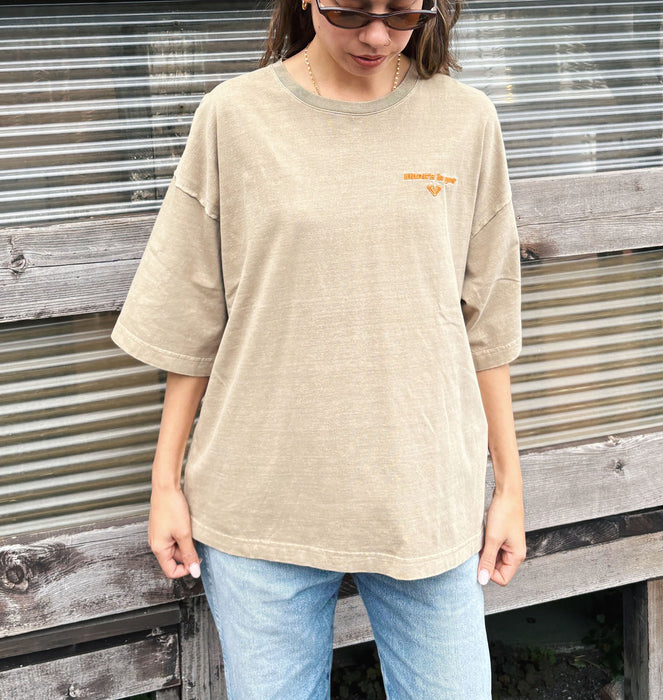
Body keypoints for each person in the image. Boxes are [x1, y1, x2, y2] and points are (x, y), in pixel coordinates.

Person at [111, 0, 527, 696]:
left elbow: (488, 327)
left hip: (423, 498)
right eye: (350, 11)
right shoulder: (234, 117)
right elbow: (189, 320)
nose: (377, 35)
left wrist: (510, 488)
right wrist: (165, 486)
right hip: (258, 503)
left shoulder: (466, 120)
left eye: (402, 14)